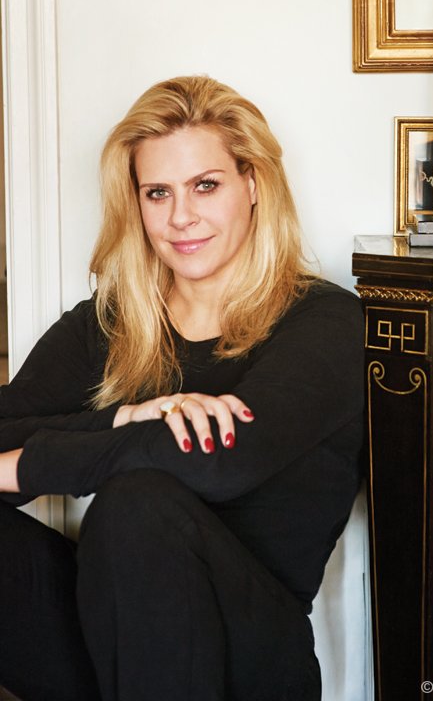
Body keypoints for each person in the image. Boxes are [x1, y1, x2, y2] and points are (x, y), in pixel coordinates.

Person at [0, 76, 364, 701]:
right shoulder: (109, 323)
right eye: (157, 192)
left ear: (254, 184)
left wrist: (31, 463)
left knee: (136, 503)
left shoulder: (324, 321)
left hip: (250, 663)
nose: (180, 217)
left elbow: (222, 459)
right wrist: (123, 419)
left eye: (206, 185)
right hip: (116, 644)